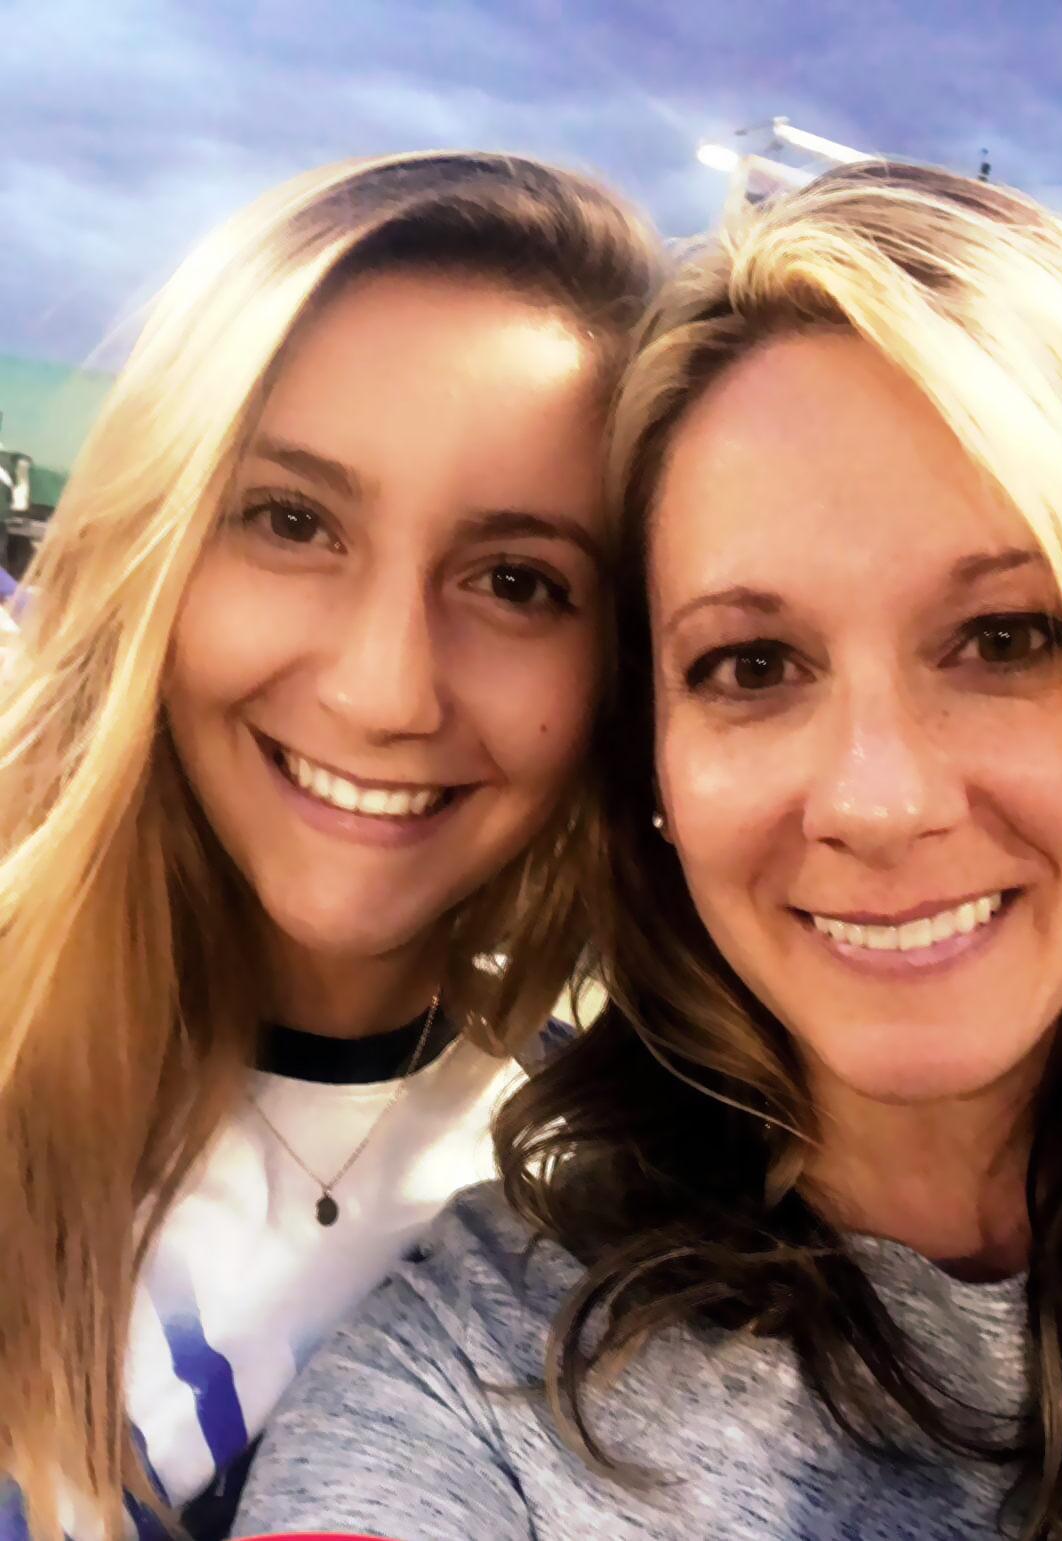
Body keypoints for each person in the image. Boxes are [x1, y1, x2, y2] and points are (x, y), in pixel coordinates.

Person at [235, 163, 1062, 1541]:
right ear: (649, 758)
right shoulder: (476, 1375)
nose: (880, 802)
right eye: (751, 663)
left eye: (1008, 638)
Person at [0, 151, 658, 1541]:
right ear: (156, 549)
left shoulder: (596, 1201)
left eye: (518, 582)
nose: (383, 690)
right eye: (292, 522)